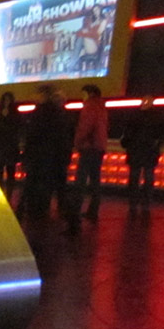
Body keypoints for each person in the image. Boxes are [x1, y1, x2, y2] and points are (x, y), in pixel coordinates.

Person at [18, 85, 73, 221]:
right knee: (54, 185)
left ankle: (31, 211)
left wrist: (26, 155)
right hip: (54, 156)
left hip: (39, 156)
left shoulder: (39, 113)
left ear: (43, 95)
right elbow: (64, 136)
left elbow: (32, 136)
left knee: (33, 184)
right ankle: (62, 214)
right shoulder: (59, 114)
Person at [72, 84, 108, 224]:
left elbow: (85, 127)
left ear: (89, 93)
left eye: (83, 94)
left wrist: (77, 142)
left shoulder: (89, 106)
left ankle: (75, 211)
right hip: (99, 147)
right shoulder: (102, 107)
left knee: (81, 180)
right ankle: (93, 210)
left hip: (89, 146)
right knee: (95, 179)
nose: (82, 97)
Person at [121, 96, 162, 207]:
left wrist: (126, 143)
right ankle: (146, 202)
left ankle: (133, 201)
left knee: (134, 177)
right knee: (148, 177)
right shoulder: (157, 118)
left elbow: (127, 135)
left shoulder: (134, 117)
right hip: (150, 152)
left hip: (135, 151)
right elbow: (161, 135)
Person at [0, 91, 22, 201]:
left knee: (10, 172)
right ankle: (1, 195)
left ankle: (8, 196)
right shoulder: (0, 113)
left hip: (8, 147)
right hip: (2, 147)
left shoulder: (13, 113)